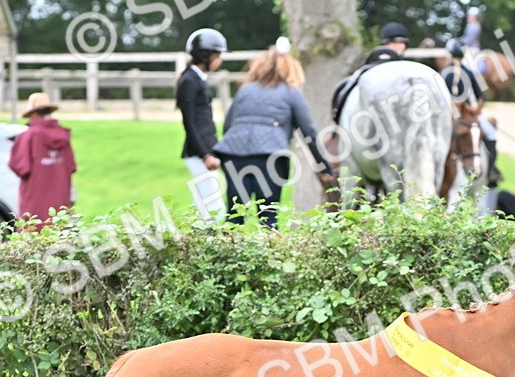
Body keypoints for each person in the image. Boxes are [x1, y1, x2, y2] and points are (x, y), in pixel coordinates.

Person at [214, 39, 335, 229]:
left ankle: (222, 256)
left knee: (234, 216)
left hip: (233, 154)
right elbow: (308, 131)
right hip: (269, 155)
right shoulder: (290, 92)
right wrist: (324, 165)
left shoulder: (245, 90)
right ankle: (272, 256)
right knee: (268, 216)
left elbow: (228, 125)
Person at [176, 28, 228, 220]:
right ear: (206, 56)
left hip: (206, 150)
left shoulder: (197, 79)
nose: (220, 59)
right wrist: (205, 154)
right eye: (217, 55)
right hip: (199, 153)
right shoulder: (190, 81)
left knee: (207, 205)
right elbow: (190, 123)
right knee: (213, 208)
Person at [7, 92, 76, 231]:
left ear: (32, 113)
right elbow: (71, 166)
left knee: (33, 235)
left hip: (34, 203)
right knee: (60, 234)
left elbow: (18, 166)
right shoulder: (63, 136)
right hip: (60, 203)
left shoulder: (28, 136)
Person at [441, 38, 501, 187]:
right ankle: (492, 169)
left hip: (448, 115)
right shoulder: (468, 72)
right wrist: (474, 110)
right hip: (464, 116)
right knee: (491, 134)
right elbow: (480, 97)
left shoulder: (442, 72)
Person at [331, 22, 410, 125]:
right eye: (394, 42)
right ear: (385, 43)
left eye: (401, 42)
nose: (398, 46)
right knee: (345, 86)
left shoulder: (408, 69)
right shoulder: (368, 69)